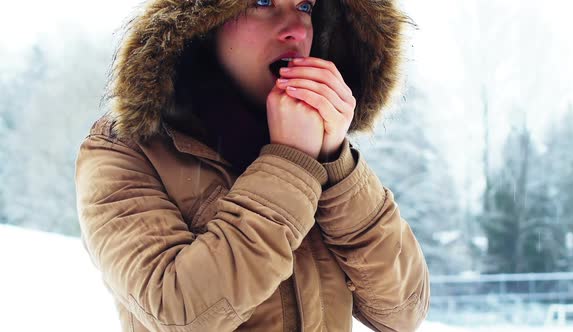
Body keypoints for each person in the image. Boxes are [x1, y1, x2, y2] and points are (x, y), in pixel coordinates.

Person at [74, 0, 430, 331]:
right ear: (204, 21)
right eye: (262, 2)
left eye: (305, 6)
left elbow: (403, 312)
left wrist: (336, 161)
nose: (297, 30)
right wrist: (291, 163)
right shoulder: (124, 152)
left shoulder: (320, 146)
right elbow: (181, 313)